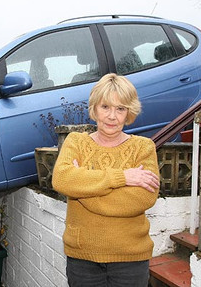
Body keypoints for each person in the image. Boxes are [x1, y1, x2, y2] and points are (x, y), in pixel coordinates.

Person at [52, 73, 160, 287]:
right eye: (105, 107)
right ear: (94, 108)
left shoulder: (143, 147)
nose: (112, 116)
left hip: (130, 260)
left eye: (120, 109)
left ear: (129, 112)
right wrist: (122, 177)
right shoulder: (76, 142)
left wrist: (83, 188)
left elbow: (141, 198)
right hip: (83, 258)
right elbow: (62, 180)